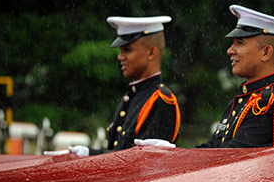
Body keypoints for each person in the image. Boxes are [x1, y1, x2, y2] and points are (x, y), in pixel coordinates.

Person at [55, 16, 181, 157]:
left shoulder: (160, 101)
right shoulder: (132, 96)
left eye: (127, 50)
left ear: (151, 53)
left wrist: (91, 157)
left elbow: (143, 162)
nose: (120, 57)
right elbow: (119, 154)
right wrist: (87, 153)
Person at [195, 5, 274, 149]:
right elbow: (211, 149)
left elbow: (232, 161)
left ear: (266, 53)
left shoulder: (266, 104)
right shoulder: (245, 99)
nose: (230, 50)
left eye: (239, 43)